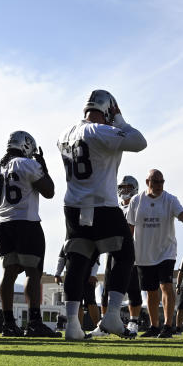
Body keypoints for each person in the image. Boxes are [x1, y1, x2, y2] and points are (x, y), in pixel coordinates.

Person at [57, 89, 147, 340]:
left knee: (77, 262)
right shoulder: (101, 130)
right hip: (101, 204)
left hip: (73, 207)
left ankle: (73, 325)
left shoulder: (64, 134)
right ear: (108, 111)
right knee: (126, 253)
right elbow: (139, 141)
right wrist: (119, 120)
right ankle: (112, 315)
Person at [0, 131, 60, 338]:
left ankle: (8, 323)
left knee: (8, 273)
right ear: (27, 147)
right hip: (26, 222)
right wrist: (43, 167)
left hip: (2, 224)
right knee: (33, 272)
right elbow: (49, 191)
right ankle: (34, 322)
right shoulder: (27, 164)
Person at [126, 169, 183, 338]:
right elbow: (130, 228)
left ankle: (168, 325)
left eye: (162, 182)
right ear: (147, 181)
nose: (159, 185)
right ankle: (154, 326)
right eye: (156, 182)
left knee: (166, 286)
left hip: (166, 251)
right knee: (151, 291)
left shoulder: (170, 200)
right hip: (143, 254)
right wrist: (126, 249)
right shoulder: (136, 201)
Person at [101, 176, 144, 335]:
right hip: (112, 249)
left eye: (128, 187)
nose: (125, 190)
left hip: (131, 250)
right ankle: (104, 322)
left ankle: (133, 321)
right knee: (107, 287)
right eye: (122, 187)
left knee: (132, 287)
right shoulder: (115, 207)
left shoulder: (138, 207)